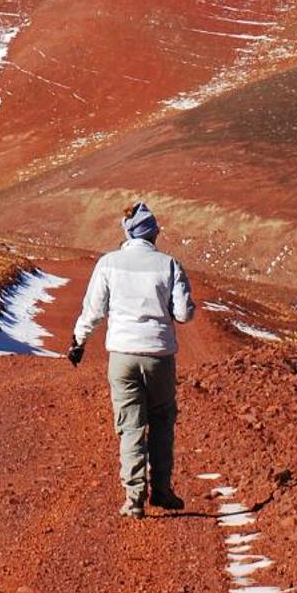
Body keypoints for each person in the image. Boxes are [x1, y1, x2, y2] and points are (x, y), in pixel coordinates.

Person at [67, 200, 194, 518]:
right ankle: (162, 490)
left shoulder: (109, 263)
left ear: (127, 231)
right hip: (159, 356)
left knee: (130, 426)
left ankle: (134, 497)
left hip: (122, 356)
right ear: (154, 234)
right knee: (162, 421)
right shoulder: (169, 264)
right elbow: (183, 313)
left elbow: (93, 311)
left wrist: (78, 342)